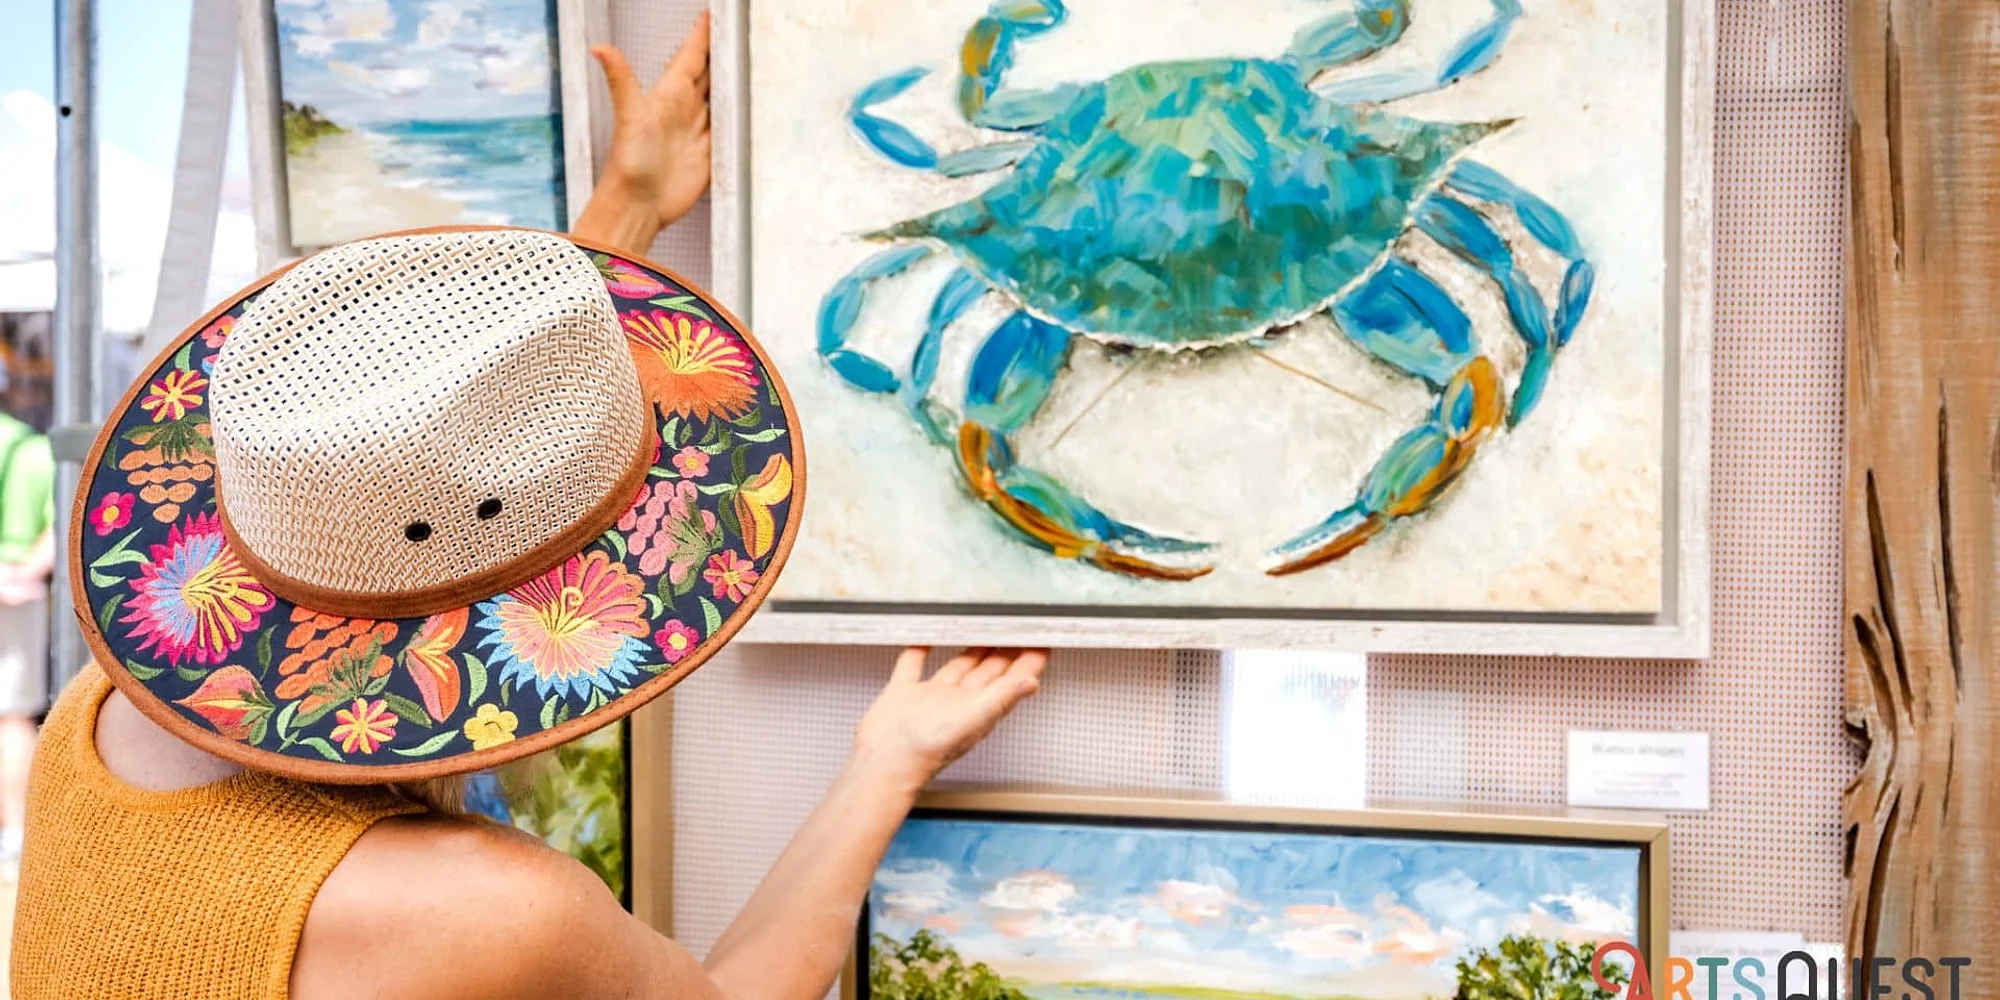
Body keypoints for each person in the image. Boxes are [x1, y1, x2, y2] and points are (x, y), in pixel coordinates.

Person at [11, 15, 1051, 999]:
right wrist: (889, 759)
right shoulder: (492, 908)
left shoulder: (96, 718)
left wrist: (625, 211)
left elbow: (423, 468)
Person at [0, 404, 52, 861]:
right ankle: (17, 832)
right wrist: (21, 575)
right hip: (17, 593)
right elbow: (58, 527)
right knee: (13, 718)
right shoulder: (32, 448)